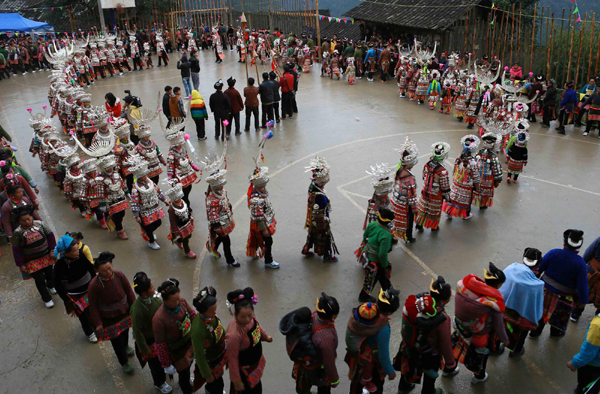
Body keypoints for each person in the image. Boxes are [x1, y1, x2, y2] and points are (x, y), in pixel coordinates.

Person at [395, 277, 457, 394]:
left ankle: (404, 387)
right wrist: (450, 362)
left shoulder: (417, 304)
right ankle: (429, 391)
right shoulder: (442, 319)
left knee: (408, 370)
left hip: (409, 347)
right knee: (429, 378)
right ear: (444, 301)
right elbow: (445, 343)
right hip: (429, 354)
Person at [452, 263, 507, 384]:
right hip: (478, 334)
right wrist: (504, 340)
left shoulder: (465, 285)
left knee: (456, 346)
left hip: (459, 325)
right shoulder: (493, 303)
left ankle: (449, 369)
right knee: (480, 356)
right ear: (498, 284)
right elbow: (498, 326)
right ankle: (479, 377)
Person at [530, 229, 589, 338]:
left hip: (545, 292)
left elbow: (539, 269)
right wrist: (583, 300)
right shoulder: (580, 263)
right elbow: (582, 285)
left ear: (564, 242)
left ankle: (535, 331)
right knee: (560, 317)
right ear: (579, 246)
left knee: (541, 312)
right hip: (564, 298)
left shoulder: (553, 253)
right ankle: (555, 332)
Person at [87, 252, 136, 374]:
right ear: (97, 271)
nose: (108, 272)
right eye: (104, 271)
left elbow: (129, 292)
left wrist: (133, 308)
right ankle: (124, 362)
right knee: (116, 341)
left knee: (125, 332)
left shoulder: (119, 275)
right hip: (109, 318)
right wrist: (98, 323)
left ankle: (126, 345)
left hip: (124, 312)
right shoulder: (94, 285)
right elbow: (92, 305)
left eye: (109, 268)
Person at [345, 289, 400, 393]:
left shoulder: (367, 312)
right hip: (372, 363)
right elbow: (383, 355)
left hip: (359, 353)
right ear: (390, 312)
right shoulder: (383, 328)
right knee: (377, 387)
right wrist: (390, 371)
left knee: (356, 383)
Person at [496, 248, 544, 358]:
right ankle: (516, 350)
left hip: (501, 308)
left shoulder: (510, 268)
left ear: (523, 259)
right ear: (537, 266)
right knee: (522, 332)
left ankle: (496, 348)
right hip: (519, 316)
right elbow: (535, 308)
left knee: (498, 328)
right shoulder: (537, 285)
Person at [130, 272, 173, 394]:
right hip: (149, 342)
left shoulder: (155, 300)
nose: (154, 289)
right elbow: (137, 332)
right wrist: (144, 349)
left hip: (160, 336)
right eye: (151, 288)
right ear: (144, 293)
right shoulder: (137, 310)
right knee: (155, 365)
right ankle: (159, 383)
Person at [226, 287, 273, 394]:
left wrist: (265, 337)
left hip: (254, 368)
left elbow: (257, 326)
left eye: (249, 315)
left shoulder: (251, 319)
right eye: (243, 317)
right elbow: (232, 359)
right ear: (236, 314)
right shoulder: (233, 335)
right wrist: (237, 381)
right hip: (244, 373)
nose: (247, 319)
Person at [153, 278, 196, 394]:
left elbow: (192, 315)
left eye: (178, 298)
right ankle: (186, 388)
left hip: (189, 344)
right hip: (177, 351)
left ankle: (185, 380)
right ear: (164, 300)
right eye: (173, 301)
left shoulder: (182, 302)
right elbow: (160, 344)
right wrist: (166, 364)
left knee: (188, 367)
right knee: (184, 373)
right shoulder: (159, 319)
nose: (177, 302)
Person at [53, 234, 97, 342]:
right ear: (66, 253)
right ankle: (89, 332)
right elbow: (57, 284)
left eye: (77, 249)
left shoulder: (81, 256)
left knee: (93, 308)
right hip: (74, 296)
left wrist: (96, 282)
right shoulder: (59, 266)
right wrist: (66, 299)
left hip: (89, 289)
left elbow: (90, 269)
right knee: (83, 315)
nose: (78, 251)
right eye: (74, 251)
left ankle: (96, 324)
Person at [10, 206, 56, 308]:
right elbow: (16, 250)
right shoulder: (17, 233)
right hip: (32, 261)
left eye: (28, 219)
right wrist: (21, 264)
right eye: (23, 220)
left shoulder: (41, 224)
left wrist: (53, 250)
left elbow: (50, 236)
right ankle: (46, 298)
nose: (27, 222)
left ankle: (51, 285)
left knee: (50, 273)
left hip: (46, 256)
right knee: (39, 280)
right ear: (19, 221)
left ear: (32, 217)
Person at [191, 286, 228, 394]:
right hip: (210, 362)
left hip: (218, 356)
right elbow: (199, 355)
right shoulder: (199, 330)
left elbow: (219, 327)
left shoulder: (211, 317)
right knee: (215, 384)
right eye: (213, 311)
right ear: (203, 312)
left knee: (218, 381)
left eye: (215, 309)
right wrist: (207, 374)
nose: (215, 313)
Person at [246, 152, 280, 269]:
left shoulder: (260, 191)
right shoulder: (256, 198)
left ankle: (254, 252)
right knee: (268, 241)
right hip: (261, 223)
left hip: (262, 220)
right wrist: (264, 229)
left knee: (256, 238)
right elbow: (258, 216)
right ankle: (268, 260)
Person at [302, 156, 338, 262]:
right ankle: (327, 255)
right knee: (326, 236)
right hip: (319, 218)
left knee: (312, 233)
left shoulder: (313, 186)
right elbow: (319, 213)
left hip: (312, 216)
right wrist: (324, 222)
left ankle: (306, 249)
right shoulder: (319, 196)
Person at [129, 159, 168, 250]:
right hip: (145, 210)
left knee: (159, 222)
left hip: (155, 207)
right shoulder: (135, 188)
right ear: (139, 177)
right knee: (149, 226)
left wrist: (164, 199)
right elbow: (134, 202)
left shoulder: (150, 182)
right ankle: (151, 241)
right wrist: (136, 215)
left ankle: (148, 232)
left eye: (145, 174)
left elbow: (158, 191)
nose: (145, 176)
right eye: (143, 175)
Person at [357, 208, 395, 303]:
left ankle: (389, 291)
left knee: (377, 277)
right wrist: (385, 264)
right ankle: (364, 296)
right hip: (377, 261)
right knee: (375, 277)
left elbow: (365, 236)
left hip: (367, 255)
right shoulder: (386, 234)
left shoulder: (372, 225)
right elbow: (382, 254)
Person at [442, 135, 481, 220]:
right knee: (466, 201)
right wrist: (478, 188)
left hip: (457, 182)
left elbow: (454, 170)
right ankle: (465, 214)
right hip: (467, 185)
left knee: (453, 197)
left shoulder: (459, 158)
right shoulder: (472, 162)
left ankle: (449, 212)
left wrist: (455, 179)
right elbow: (476, 177)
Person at [415, 142, 451, 232]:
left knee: (423, 207)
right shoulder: (443, 171)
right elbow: (445, 187)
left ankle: (419, 224)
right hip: (436, 194)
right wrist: (447, 198)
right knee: (434, 211)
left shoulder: (428, 164)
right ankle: (433, 226)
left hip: (425, 190)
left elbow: (423, 176)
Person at [391, 137, 418, 243]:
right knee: (408, 220)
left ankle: (393, 236)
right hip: (405, 203)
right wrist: (414, 208)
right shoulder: (410, 178)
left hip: (396, 199)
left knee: (395, 219)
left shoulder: (399, 170)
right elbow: (412, 196)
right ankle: (408, 236)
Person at [98, 154, 130, 240]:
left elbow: (122, 183)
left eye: (111, 166)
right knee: (117, 216)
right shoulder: (101, 179)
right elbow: (100, 193)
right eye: (108, 167)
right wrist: (102, 205)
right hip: (111, 201)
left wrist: (127, 192)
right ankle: (120, 231)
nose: (110, 168)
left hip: (121, 197)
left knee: (122, 213)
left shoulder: (116, 173)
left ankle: (115, 222)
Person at [568, 313, 600, 394]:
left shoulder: (597, 325)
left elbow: (589, 351)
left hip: (593, 366)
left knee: (585, 388)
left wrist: (575, 363)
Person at [572, 234, 600, 322]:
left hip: (591, 273)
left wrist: (582, 268)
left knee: (583, 293)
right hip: (594, 273)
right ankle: (598, 319)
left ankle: (576, 313)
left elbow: (588, 254)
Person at [165, 183, 197, 258]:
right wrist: (175, 230)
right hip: (180, 226)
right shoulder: (171, 209)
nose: (179, 199)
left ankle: (178, 241)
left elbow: (187, 210)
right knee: (185, 238)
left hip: (187, 222)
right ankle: (188, 251)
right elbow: (172, 221)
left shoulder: (182, 202)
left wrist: (190, 217)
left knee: (189, 235)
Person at [472, 133, 502, 209]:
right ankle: (476, 201)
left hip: (488, 176)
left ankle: (483, 204)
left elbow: (496, 167)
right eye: (486, 142)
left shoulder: (493, 155)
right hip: (479, 173)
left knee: (486, 191)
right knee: (476, 188)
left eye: (489, 142)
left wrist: (497, 179)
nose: (487, 143)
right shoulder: (481, 152)